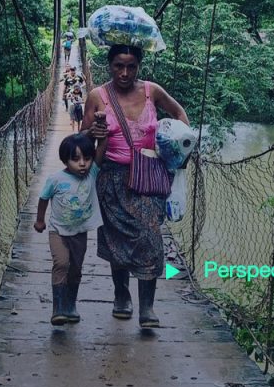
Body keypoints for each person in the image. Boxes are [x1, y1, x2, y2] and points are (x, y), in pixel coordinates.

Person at [82, 44, 189, 328]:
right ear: (110, 65)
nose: (125, 72)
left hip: (149, 176)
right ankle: (121, 295)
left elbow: (179, 114)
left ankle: (147, 308)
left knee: (151, 237)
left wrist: (181, 148)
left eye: (131, 66)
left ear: (139, 66)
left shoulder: (151, 91)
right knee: (117, 241)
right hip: (111, 178)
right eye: (119, 65)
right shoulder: (97, 96)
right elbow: (81, 138)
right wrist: (92, 132)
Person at [34, 133, 106, 325]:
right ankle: (57, 308)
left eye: (87, 159)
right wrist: (40, 220)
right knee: (62, 264)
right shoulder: (55, 179)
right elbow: (43, 199)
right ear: (65, 160)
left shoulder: (92, 173)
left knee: (75, 270)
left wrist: (103, 130)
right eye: (75, 159)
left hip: (80, 233)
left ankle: (70, 305)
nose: (82, 164)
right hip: (58, 231)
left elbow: (101, 149)